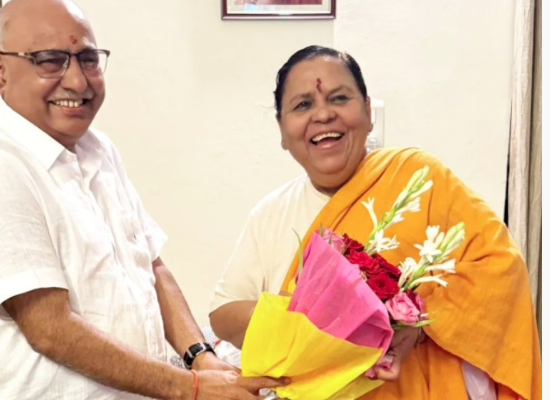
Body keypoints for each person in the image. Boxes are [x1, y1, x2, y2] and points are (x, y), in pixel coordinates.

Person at [0, 0, 287, 399]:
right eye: (50, 60)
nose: (77, 81)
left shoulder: (98, 150)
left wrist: (199, 356)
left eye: (87, 59)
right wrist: (189, 388)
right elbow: (49, 329)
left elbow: (151, 266)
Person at [209, 45, 541, 399]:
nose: (323, 115)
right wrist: (316, 323)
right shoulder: (271, 214)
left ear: (367, 112)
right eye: (303, 105)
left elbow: (502, 271)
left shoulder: (419, 180)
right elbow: (223, 314)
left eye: (339, 98)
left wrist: (417, 323)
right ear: (281, 129)